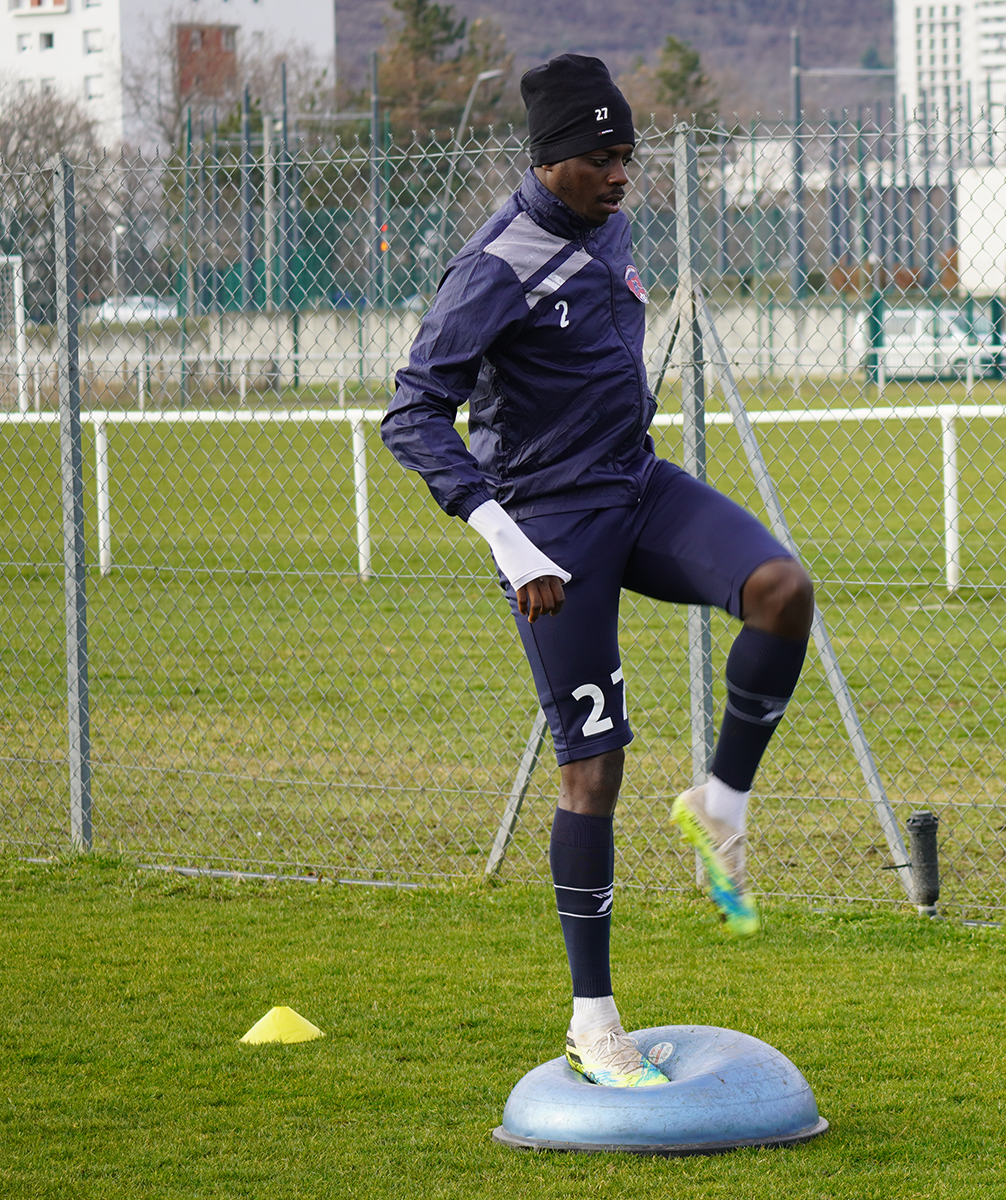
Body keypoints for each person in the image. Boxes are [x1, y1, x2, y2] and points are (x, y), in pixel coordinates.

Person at [380, 54, 815, 1089]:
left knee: (781, 591)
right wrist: (505, 537)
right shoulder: (493, 265)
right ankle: (593, 1020)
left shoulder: (607, 221)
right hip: (548, 528)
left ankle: (720, 806)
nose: (622, 176)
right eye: (602, 158)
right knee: (593, 768)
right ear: (551, 160)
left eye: (628, 155)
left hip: (638, 485)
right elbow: (411, 413)